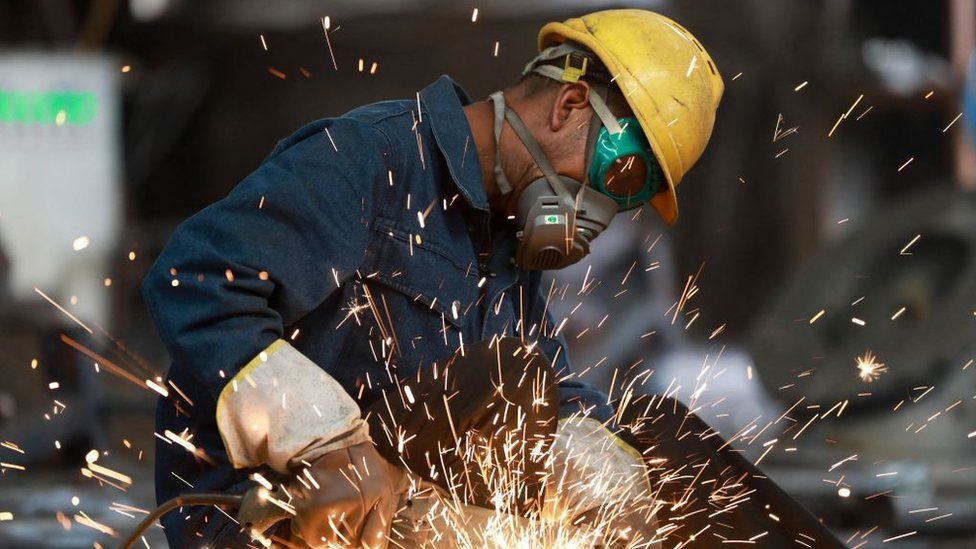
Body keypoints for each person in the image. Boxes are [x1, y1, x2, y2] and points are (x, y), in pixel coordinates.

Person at [142, 9, 723, 548]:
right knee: (508, 378)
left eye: (632, 199)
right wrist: (324, 444)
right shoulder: (370, 159)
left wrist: (616, 468)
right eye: (620, 175)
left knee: (649, 458)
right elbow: (192, 279)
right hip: (272, 516)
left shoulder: (506, 242)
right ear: (569, 104)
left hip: (402, 503)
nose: (604, 210)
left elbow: (540, 395)